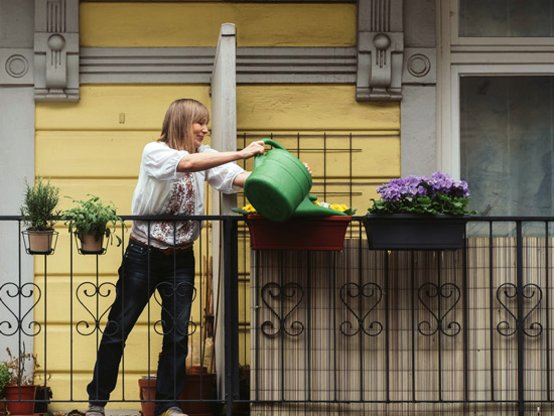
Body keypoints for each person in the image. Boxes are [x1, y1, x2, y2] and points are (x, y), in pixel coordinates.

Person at [85, 98, 265, 416]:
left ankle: (167, 404)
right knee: (118, 328)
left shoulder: (205, 155)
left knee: (177, 334)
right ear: (182, 122)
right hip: (144, 254)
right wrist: (241, 152)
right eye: (200, 123)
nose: (205, 129)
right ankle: (97, 401)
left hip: (181, 258)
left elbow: (236, 177)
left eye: (206, 122)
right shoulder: (155, 152)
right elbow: (185, 165)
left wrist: (281, 177)